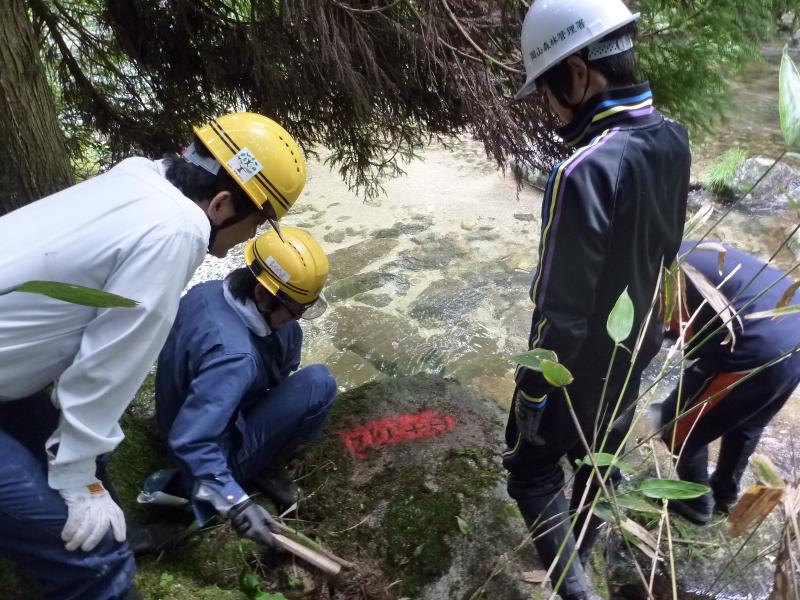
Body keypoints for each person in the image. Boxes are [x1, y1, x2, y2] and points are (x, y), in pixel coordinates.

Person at [0, 112, 306, 599]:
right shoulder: (176, 230)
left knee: (93, 484)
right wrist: (75, 479)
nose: (245, 242)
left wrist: (84, 474)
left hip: (7, 385)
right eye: (251, 226)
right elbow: (108, 362)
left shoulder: (139, 176)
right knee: (96, 559)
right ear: (223, 204)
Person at [506, 1, 691, 598]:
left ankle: (575, 590)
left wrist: (533, 392)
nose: (548, 109)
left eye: (547, 93)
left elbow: (560, 310)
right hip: (635, 349)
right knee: (596, 464)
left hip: (576, 367)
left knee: (531, 476)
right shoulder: (674, 138)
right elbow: (667, 253)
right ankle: (579, 556)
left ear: (579, 74)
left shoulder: (583, 169)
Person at [152, 227, 337, 551]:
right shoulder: (235, 359)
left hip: (188, 411)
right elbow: (191, 442)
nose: (297, 317)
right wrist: (235, 502)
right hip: (206, 451)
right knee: (319, 383)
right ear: (264, 296)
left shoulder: (207, 291)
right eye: (294, 310)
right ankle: (262, 467)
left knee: (289, 336)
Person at [659, 242, 800, 525]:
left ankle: (697, 504)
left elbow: (680, 329)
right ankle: (725, 495)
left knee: (676, 426)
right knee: (748, 424)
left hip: (758, 346)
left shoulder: (657, 272)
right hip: (793, 330)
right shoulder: (687, 247)